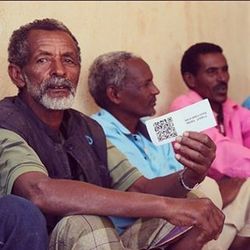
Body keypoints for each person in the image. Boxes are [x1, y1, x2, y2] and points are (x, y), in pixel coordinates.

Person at [0, 19, 224, 250]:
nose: (60, 70)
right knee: (85, 223)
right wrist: (166, 206)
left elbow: (141, 188)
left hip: (102, 242)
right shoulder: (6, 122)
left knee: (197, 210)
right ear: (18, 75)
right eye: (43, 59)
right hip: (50, 241)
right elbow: (38, 190)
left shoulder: (86, 127)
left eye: (69, 60)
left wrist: (190, 175)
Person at [88, 51, 250, 250]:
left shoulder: (153, 126)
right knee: (206, 190)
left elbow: (181, 179)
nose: (155, 90)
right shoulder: (97, 131)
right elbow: (147, 192)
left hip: (179, 218)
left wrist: (193, 177)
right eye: (145, 84)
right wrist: (195, 177)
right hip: (137, 229)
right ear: (115, 94)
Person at [169, 42, 250, 249]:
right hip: (202, 201)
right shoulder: (183, 107)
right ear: (190, 79)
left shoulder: (231, 108)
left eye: (224, 70)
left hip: (232, 196)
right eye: (212, 72)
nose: (222, 78)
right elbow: (219, 150)